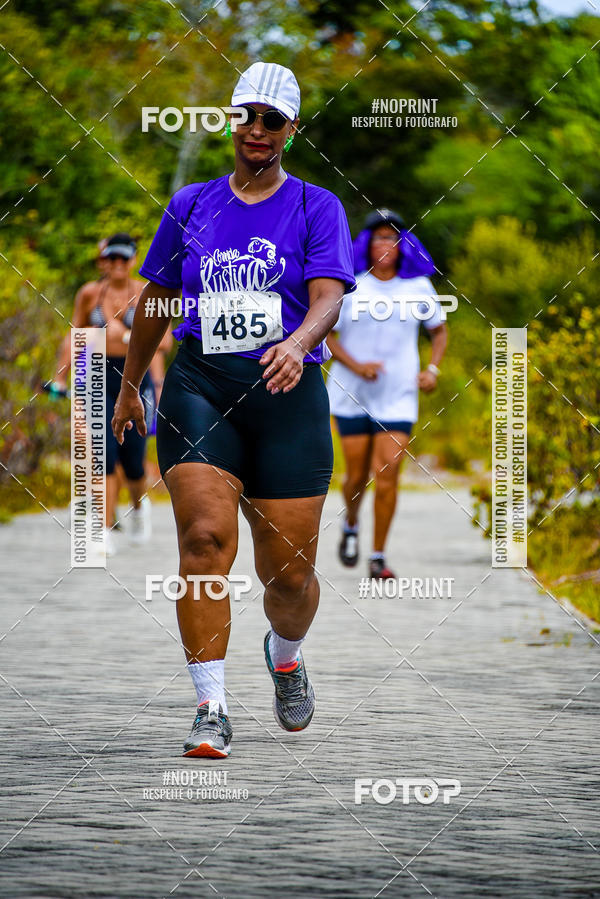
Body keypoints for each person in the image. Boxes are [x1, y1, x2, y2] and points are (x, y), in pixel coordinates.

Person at [111, 61, 356, 759]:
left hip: (287, 397)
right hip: (200, 388)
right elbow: (157, 298)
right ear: (230, 119)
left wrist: (300, 342)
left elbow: (330, 295)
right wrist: (131, 386)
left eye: (271, 119)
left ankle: (285, 653)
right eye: (245, 114)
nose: (255, 129)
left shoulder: (317, 206)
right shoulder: (191, 204)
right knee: (204, 541)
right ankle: (210, 705)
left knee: (289, 576)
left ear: (291, 130)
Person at [326, 209, 448, 579]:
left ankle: (378, 556)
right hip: (352, 393)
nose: (386, 244)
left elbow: (438, 331)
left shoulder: (419, 287)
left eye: (393, 237)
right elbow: (327, 335)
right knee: (355, 475)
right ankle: (350, 523)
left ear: (402, 245)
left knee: (389, 471)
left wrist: (432, 369)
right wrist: (356, 365)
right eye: (379, 237)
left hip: (398, 396)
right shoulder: (351, 285)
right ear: (366, 244)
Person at [53, 234, 170, 554]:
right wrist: (60, 379)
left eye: (124, 259)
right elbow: (75, 334)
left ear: (133, 260)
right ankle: (103, 529)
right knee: (103, 452)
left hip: (135, 380)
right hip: (96, 377)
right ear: (104, 261)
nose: (117, 265)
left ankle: (138, 507)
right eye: (112, 259)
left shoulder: (147, 293)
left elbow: (165, 343)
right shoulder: (90, 293)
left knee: (133, 459)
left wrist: (127, 334)